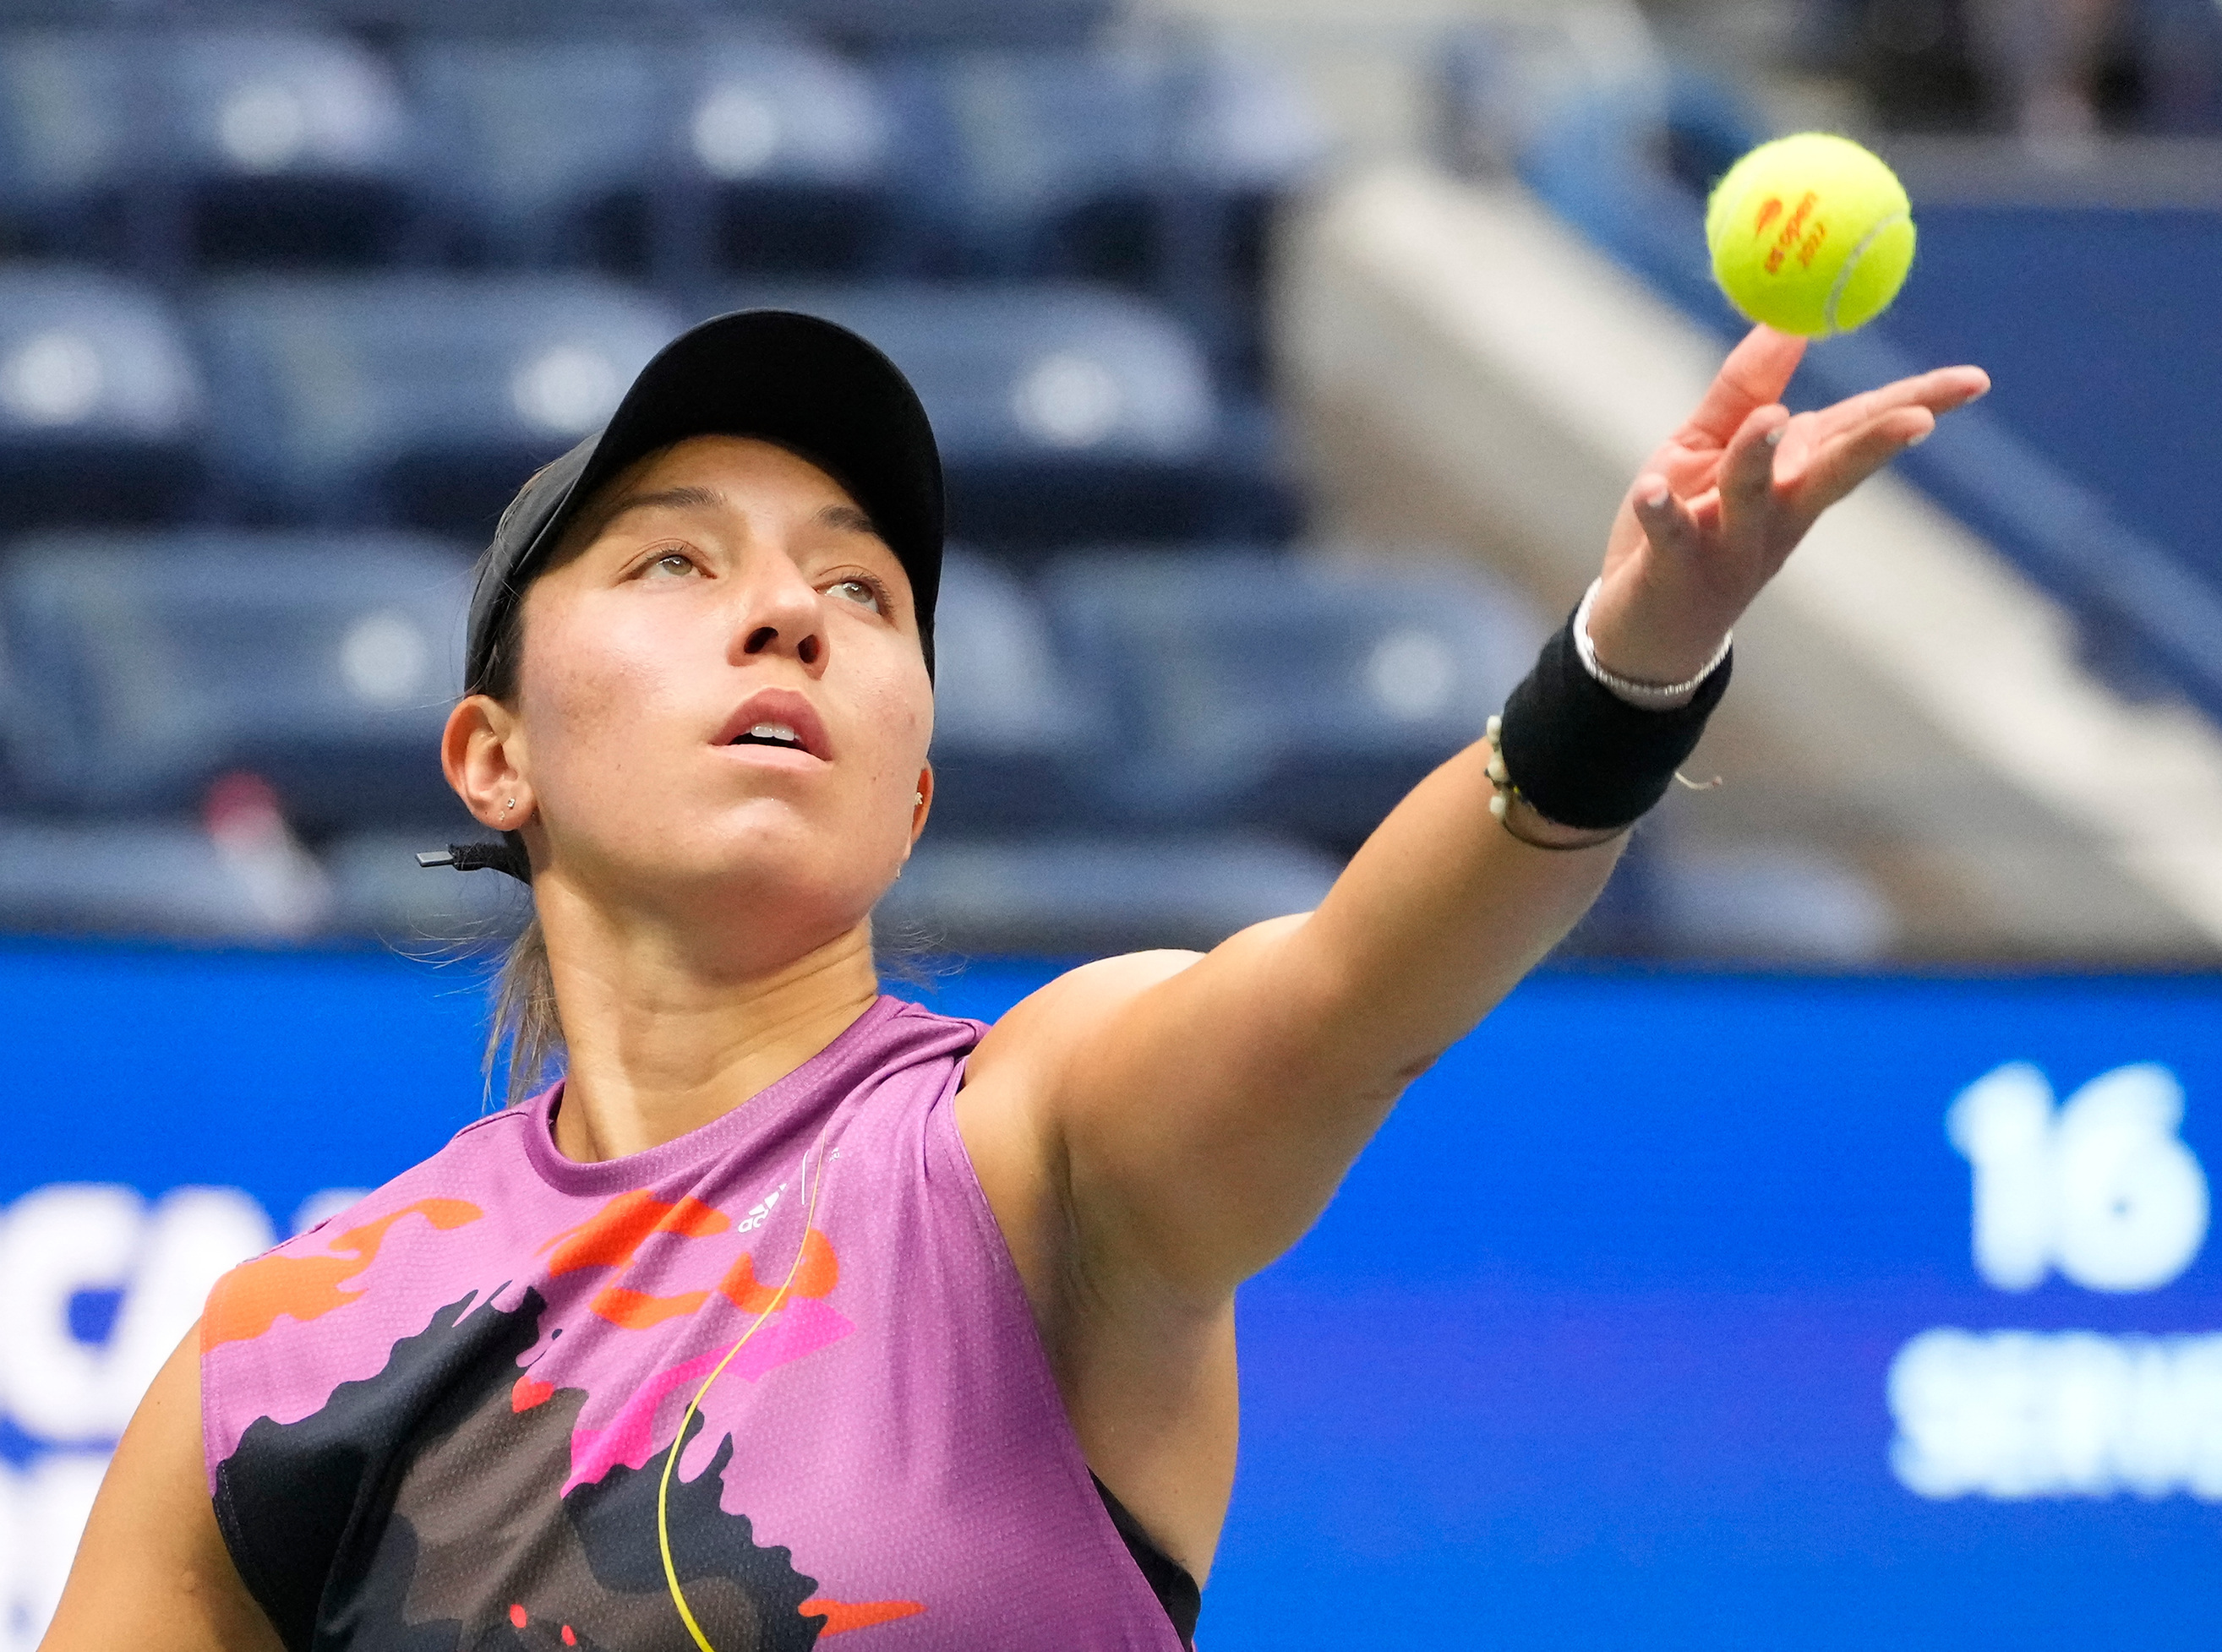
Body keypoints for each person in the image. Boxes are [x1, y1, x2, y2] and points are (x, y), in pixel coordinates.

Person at [41, 309, 1986, 1651]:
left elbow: (1344, 996)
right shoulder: (283, 1360)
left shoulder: (1032, 1150)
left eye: (861, 593)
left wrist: (1623, 671)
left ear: (916, 795)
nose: (790, 609)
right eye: (671, 566)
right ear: (494, 757)